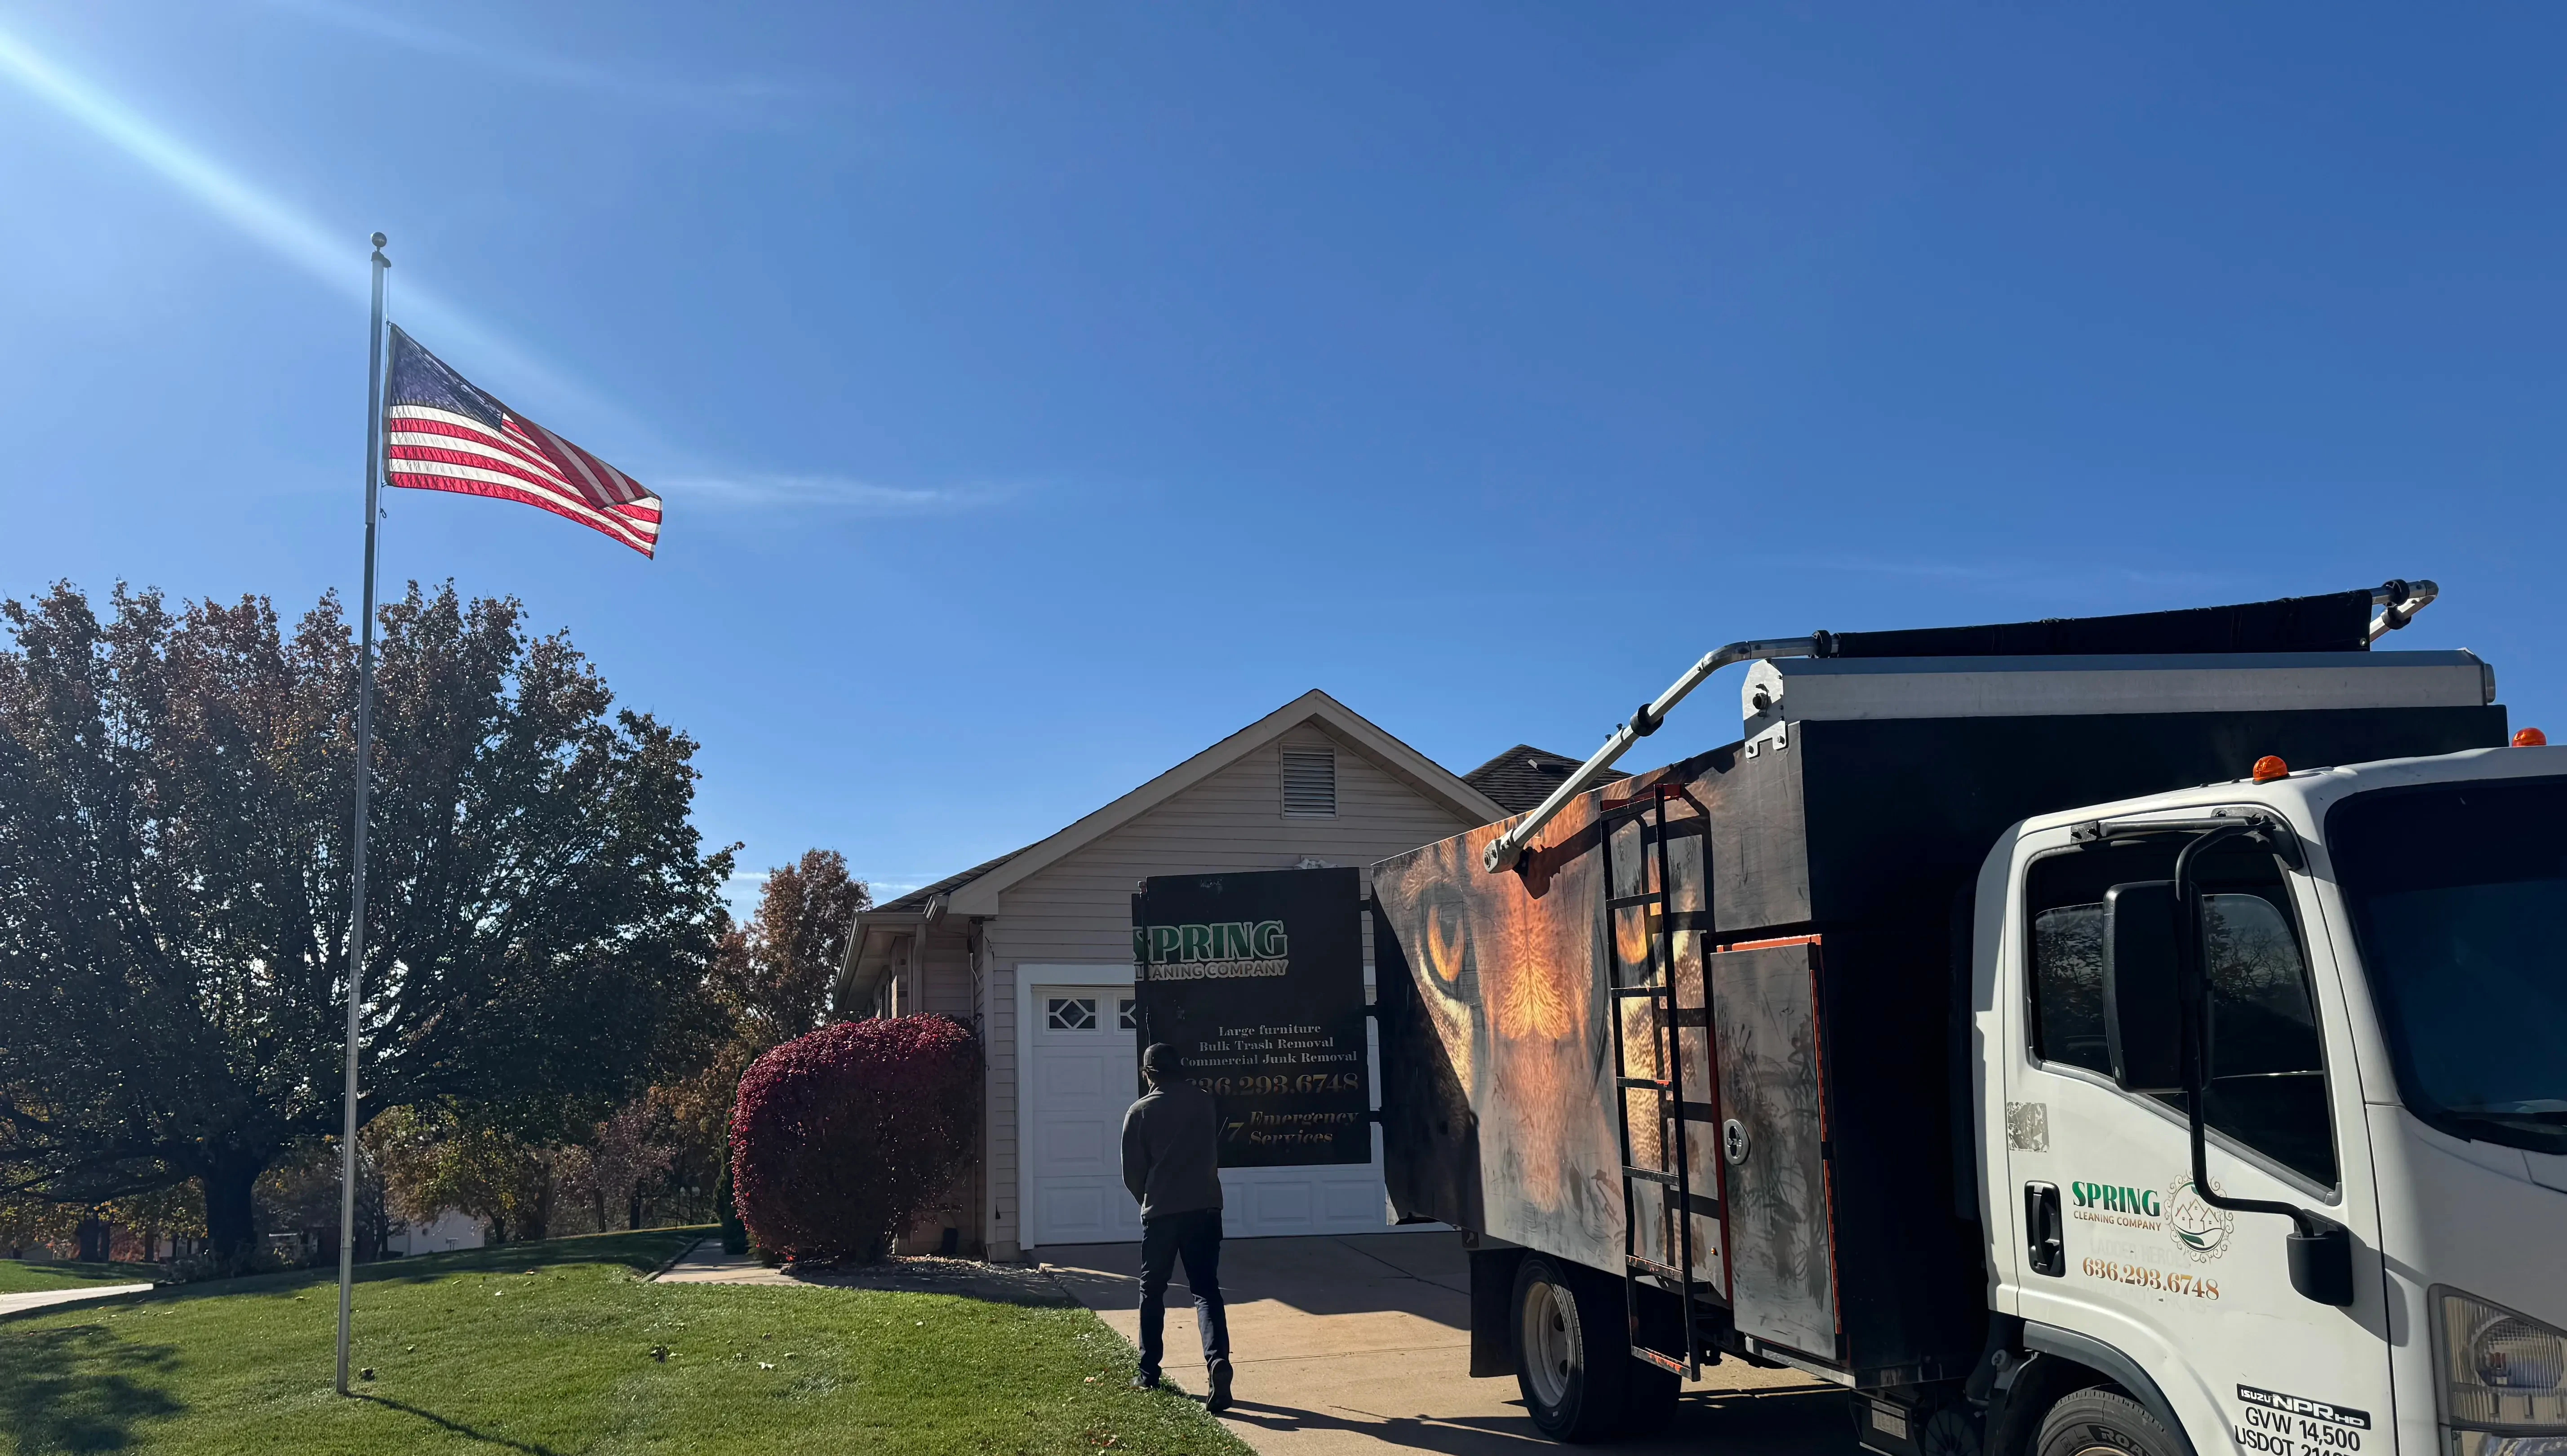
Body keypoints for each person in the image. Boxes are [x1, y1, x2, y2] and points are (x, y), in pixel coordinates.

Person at [1121, 1042, 1232, 1411]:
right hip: (1205, 1210)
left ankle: (1148, 1372)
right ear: (1180, 1069)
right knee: (1205, 1291)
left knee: (1152, 1291)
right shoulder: (1203, 1102)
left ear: (1148, 1073)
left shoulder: (1139, 1112)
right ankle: (1217, 1361)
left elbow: (1132, 1175)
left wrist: (1150, 1201)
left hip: (1162, 1214)